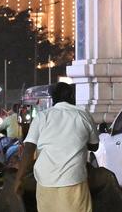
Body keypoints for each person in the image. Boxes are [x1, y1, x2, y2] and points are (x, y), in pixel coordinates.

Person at [11, 82, 99, 212]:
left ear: (53, 99)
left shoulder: (42, 117)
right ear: (72, 97)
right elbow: (94, 146)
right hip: (74, 180)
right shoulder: (83, 115)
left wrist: (19, 179)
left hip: (46, 181)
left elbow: (29, 149)